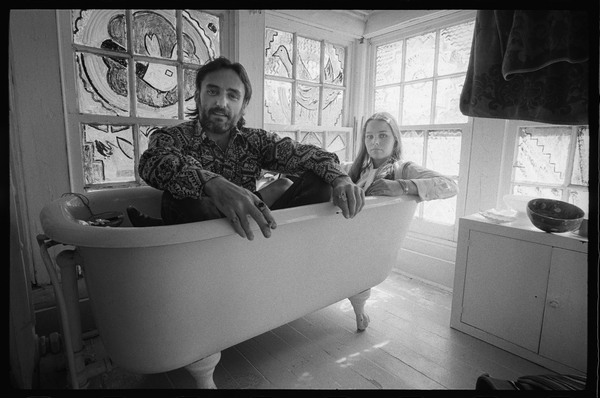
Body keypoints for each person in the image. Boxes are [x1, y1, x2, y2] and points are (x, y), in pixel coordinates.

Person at [129, 56, 364, 240]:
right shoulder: (172, 137)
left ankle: (287, 252)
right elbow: (152, 162)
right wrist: (213, 184)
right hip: (200, 248)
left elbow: (312, 155)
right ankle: (161, 230)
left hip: (256, 236)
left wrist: (341, 179)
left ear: (243, 105)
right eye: (212, 91)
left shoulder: (256, 141)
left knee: (321, 180)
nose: (221, 103)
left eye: (232, 96)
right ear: (198, 97)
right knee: (184, 198)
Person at [342, 112, 459, 332]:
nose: (375, 141)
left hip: (371, 243)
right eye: (369, 136)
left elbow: (450, 185)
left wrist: (403, 186)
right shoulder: (359, 169)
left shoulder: (403, 168)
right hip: (347, 234)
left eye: (383, 135)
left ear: (395, 140)